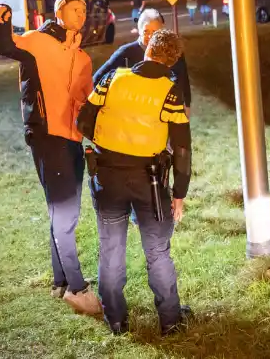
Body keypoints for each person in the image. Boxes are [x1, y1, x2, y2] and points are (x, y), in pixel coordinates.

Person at [0, 0, 100, 315]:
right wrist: (2, 21)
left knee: (65, 212)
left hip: (72, 138)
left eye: (83, 10)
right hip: (46, 134)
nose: (81, 14)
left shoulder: (82, 58)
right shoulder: (37, 42)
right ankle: (78, 289)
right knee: (64, 214)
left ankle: (60, 281)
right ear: (59, 12)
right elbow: (6, 46)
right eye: (74, 9)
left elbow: (85, 102)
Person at [76, 29, 193, 335]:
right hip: (149, 182)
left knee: (111, 249)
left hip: (107, 176)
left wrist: (106, 143)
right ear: (174, 61)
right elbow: (181, 148)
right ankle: (170, 321)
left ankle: (115, 320)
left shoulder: (113, 78)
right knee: (157, 251)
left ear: (147, 50)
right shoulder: (170, 92)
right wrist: (179, 192)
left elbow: (83, 120)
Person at [94, 9, 192, 114]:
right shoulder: (125, 53)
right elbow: (97, 78)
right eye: (146, 31)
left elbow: (183, 81)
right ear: (139, 30)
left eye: (155, 32)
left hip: (165, 114)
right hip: (134, 115)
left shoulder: (173, 52)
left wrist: (187, 106)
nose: (150, 37)